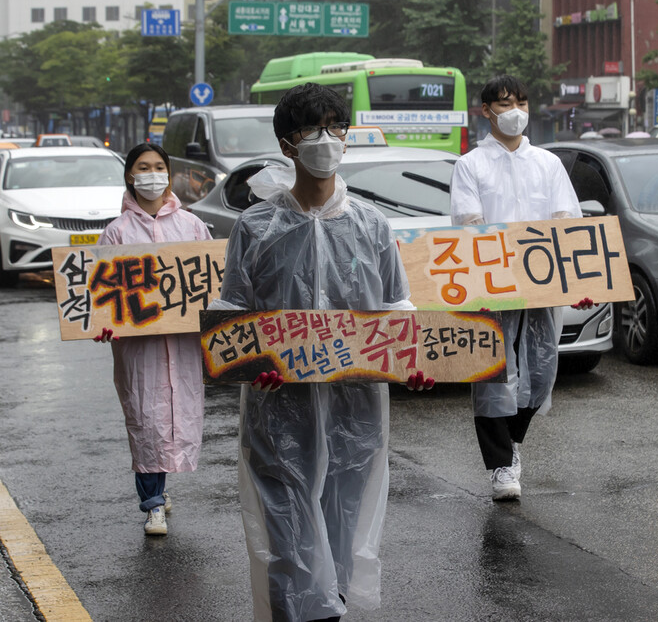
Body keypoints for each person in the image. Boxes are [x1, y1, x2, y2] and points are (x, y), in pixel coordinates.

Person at [210, 83, 433, 621]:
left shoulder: (371, 225)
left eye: (336, 128)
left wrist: (415, 362)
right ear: (288, 144)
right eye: (313, 130)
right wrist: (249, 362)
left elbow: (396, 308)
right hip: (277, 409)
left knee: (341, 526)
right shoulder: (256, 226)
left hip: (354, 410)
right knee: (288, 537)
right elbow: (232, 313)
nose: (326, 140)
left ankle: (332, 608)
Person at [450, 74, 592, 502]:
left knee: (541, 373)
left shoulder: (547, 164)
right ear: (486, 111)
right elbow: (468, 223)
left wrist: (581, 279)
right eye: (505, 103)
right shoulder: (471, 165)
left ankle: (512, 444)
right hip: (492, 286)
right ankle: (499, 464)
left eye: (522, 102)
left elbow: (569, 220)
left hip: (542, 286)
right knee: (492, 373)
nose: (515, 111)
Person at [94, 142, 212, 536]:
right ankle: (153, 503)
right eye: (143, 167)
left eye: (158, 166)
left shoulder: (192, 226)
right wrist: (102, 322)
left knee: (177, 416)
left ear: (169, 173)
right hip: (138, 346)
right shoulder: (116, 232)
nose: (151, 174)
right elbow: (101, 295)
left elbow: (210, 281)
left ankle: (161, 487)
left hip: (181, 343)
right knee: (146, 419)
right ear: (130, 175)